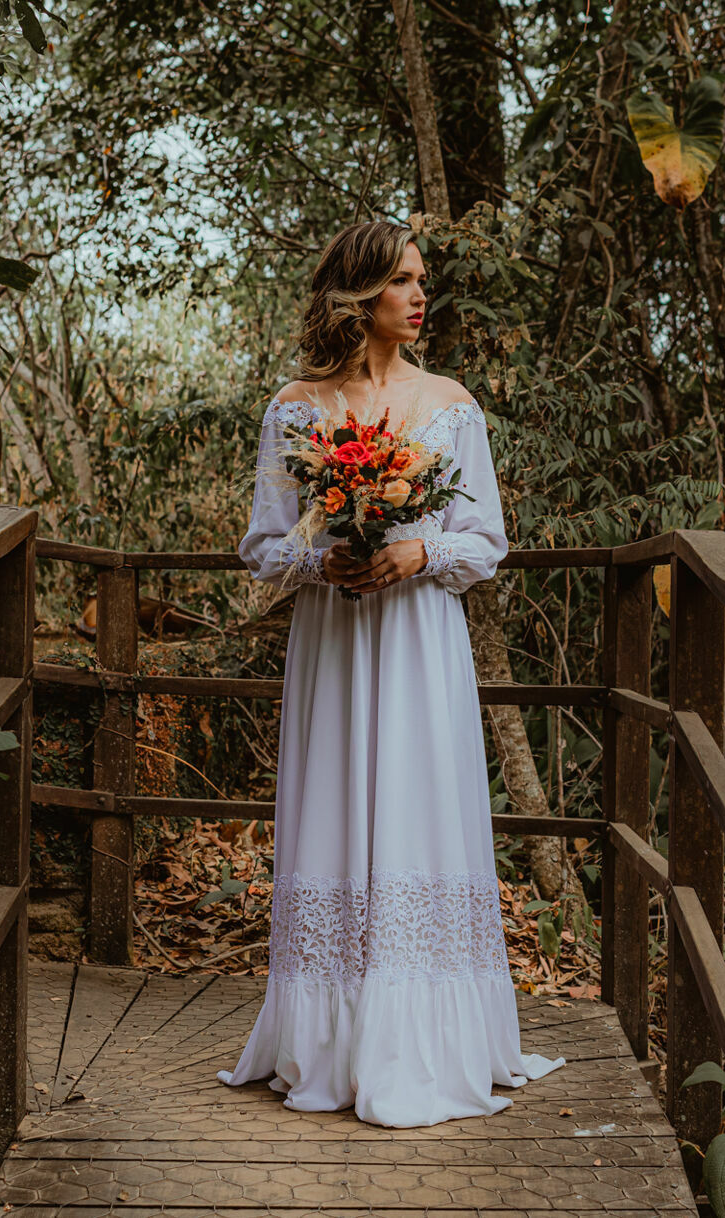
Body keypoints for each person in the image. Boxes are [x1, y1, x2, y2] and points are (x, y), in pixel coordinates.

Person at [215, 219, 565, 1127]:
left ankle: (424, 1040)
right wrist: (320, 560)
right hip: (335, 637)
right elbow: (262, 544)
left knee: (418, 803)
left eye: (422, 279)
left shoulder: (451, 406)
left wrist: (419, 552)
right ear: (360, 293)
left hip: (419, 641)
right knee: (335, 803)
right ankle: (329, 1038)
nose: (420, 295)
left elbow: (486, 541)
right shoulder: (296, 408)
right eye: (404, 280)